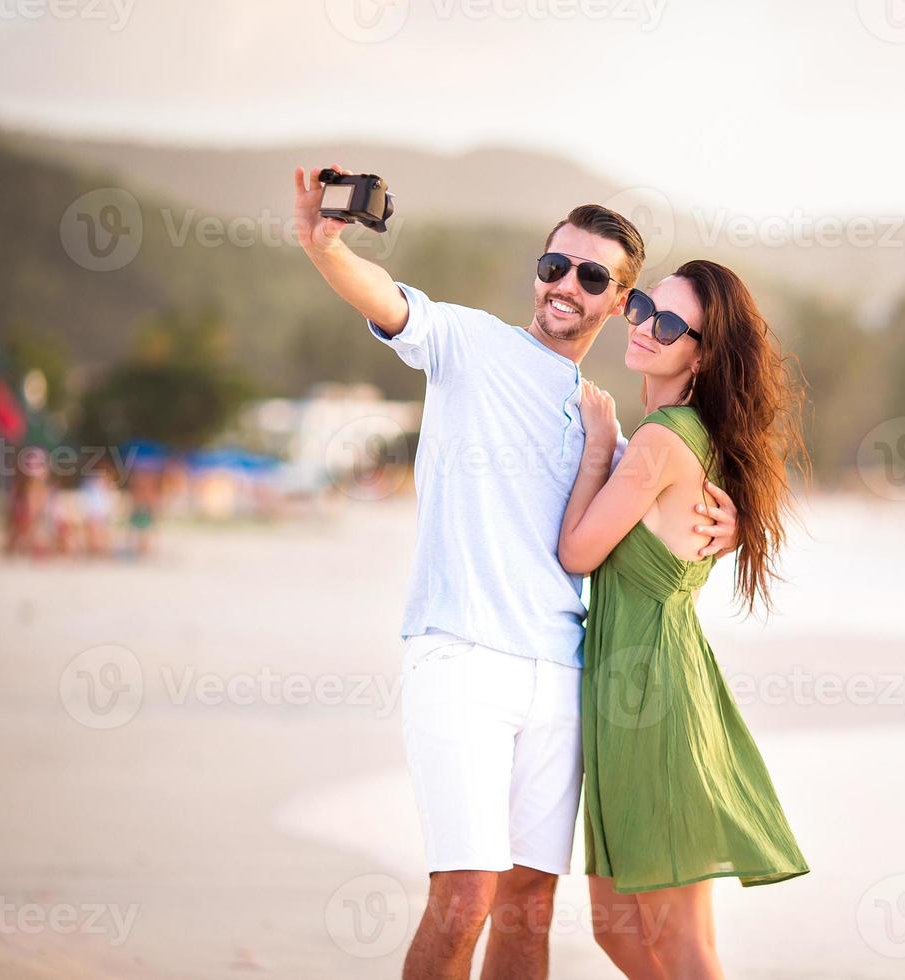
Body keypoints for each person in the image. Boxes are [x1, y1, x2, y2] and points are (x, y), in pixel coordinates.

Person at [291, 166, 741, 979]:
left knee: (530, 910)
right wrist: (326, 250)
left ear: (621, 302)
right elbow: (386, 298)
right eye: (554, 265)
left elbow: (657, 522)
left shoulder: (602, 415)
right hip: (461, 656)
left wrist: (733, 527)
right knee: (464, 897)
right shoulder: (468, 344)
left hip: (561, 674)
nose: (566, 285)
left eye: (592, 276)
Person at [558, 260, 810, 978]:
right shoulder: (688, 436)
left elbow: (578, 551)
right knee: (615, 927)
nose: (643, 325)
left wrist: (601, 449)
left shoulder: (665, 438)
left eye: (668, 324)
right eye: (642, 307)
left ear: (701, 352)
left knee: (683, 945)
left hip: (654, 695)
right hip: (628, 691)